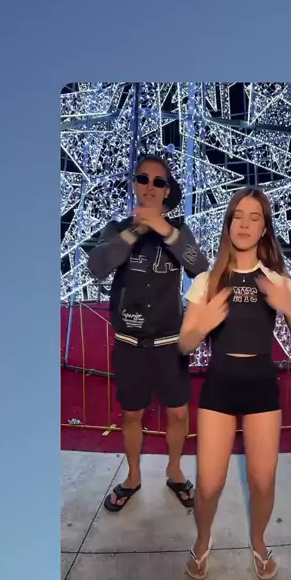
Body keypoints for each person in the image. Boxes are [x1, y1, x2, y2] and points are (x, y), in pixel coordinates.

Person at [178, 187, 291, 579]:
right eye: (238, 215)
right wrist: (203, 324)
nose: (245, 224)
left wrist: (290, 309)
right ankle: (202, 540)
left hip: (262, 389)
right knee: (208, 485)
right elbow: (185, 344)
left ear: (264, 229)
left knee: (262, 481)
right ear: (228, 223)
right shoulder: (208, 280)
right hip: (219, 388)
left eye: (255, 217)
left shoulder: (278, 281)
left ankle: (258, 541)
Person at [87, 154, 208, 512]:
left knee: (178, 412)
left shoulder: (179, 230)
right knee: (132, 414)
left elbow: (200, 267)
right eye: (143, 179)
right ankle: (133, 477)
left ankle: (175, 471)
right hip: (129, 342)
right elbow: (97, 266)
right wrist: (137, 230)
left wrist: (164, 229)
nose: (150, 187)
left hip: (170, 342)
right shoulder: (117, 229)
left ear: (167, 190)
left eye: (159, 181)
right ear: (135, 184)